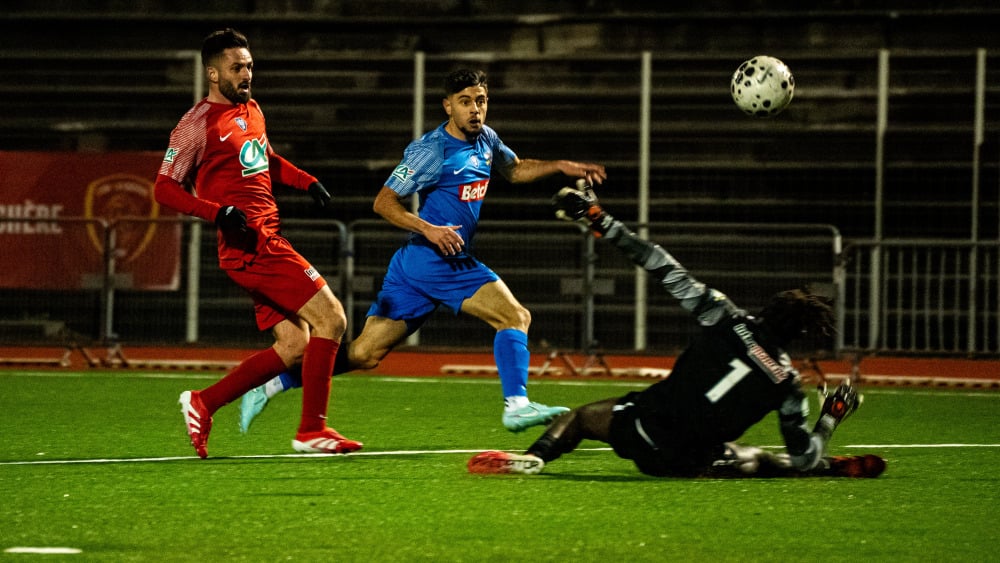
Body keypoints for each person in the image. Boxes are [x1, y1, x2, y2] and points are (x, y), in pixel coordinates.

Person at [238, 68, 608, 434]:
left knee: (365, 354)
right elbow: (383, 202)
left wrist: (559, 166)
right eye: (465, 102)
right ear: (448, 106)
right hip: (438, 259)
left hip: (416, 265)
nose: (475, 110)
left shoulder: (486, 140)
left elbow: (513, 170)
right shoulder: (432, 150)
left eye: (480, 101)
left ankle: (272, 385)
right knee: (515, 316)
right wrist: (428, 228)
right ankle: (517, 407)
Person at [467, 183, 886, 478]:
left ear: (766, 310)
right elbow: (802, 457)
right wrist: (830, 418)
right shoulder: (788, 385)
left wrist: (601, 220)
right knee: (759, 459)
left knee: (579, 419)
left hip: (642, 430)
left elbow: (660, 263)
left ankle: (535, 459)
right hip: (690, 463)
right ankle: (834, 469)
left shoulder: (726, 316)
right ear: (799, 334)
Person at [154, 28, 361, 458]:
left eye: (249, 65)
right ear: (212, 73)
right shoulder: (196, 126)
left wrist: (306, 181)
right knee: (333, 319)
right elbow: (164, 188)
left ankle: (204, 402)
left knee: (294, 346)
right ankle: (311, 430)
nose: (246, 73)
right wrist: (216, 212)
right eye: (236, 67)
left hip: (266, 238)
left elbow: (262, 158)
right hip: (251, 244)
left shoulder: (250, 110)